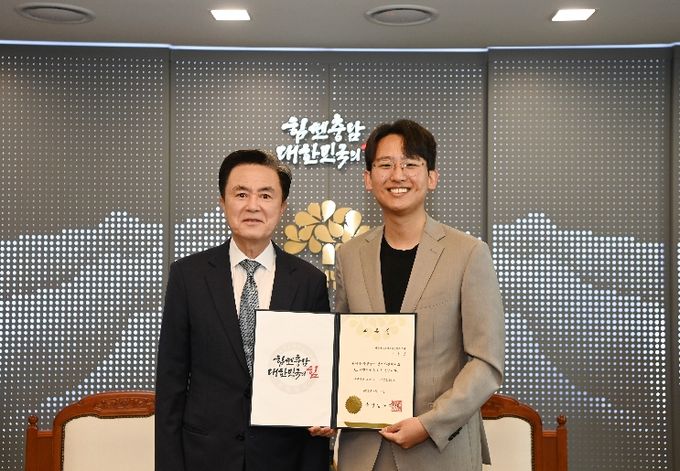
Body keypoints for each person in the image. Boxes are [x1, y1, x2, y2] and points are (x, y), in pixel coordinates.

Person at [334, 120, 505, 470]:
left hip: (439, 451)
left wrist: (429, 424)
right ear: (368, 179)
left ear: (432, 177)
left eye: (411, 163)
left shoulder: (468, 253)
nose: (398, 175)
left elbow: (486, 363)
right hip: (364, 451)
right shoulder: (349, 256)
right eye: (385, 164)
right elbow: (339, 347)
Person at [155, 149, 332, 471]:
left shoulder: (309, 282)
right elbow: (171, 382)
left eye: (265, 195)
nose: (253, 206)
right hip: (205, 457)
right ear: (222, 202)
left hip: (282, 457)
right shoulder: (188, 276)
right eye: (241, 194)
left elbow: (315, 381)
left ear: (282, 207)